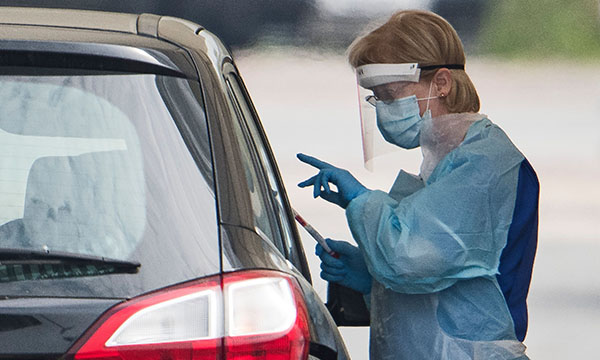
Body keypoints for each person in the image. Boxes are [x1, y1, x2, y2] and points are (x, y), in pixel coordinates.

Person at [297, 10, 538, 360]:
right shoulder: (447, 163)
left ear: (441, 83)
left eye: (391, 95)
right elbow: (444, 277)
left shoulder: (485, 165)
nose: (383, 109)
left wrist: (361, 201)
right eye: (376, 97)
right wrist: (371, 279)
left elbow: (407, 258)